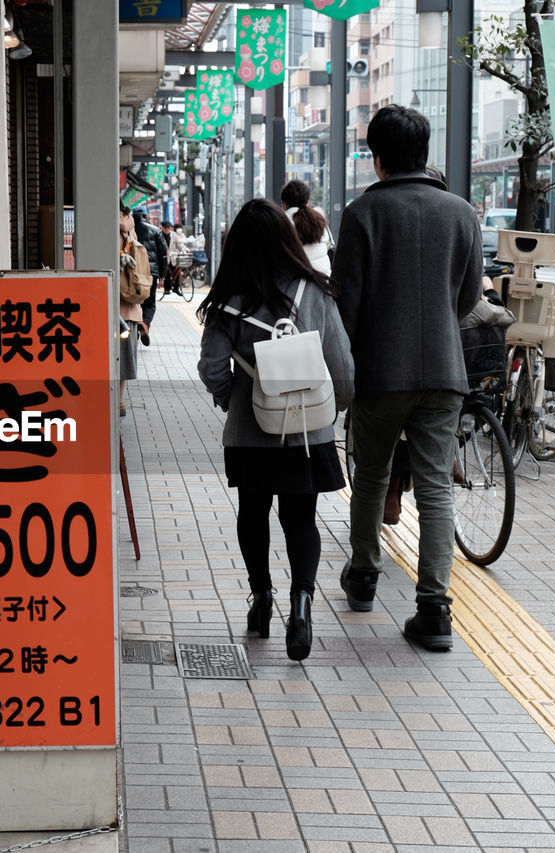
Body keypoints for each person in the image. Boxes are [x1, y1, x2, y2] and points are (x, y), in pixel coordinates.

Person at [332, 104, 482, 652]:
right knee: (436, 485)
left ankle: (365, 577)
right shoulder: (461, 213)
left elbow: (346, 303)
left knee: (371, 475)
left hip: (379, 370)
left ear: (378, 159)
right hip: (444, 369)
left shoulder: (362, 214)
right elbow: (468, 299)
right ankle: (434, 608)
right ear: (425, 153)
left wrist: (342, 369)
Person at [196, 198, 354, 661]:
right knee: (301, 518)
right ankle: (301, 604)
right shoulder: (316, 292)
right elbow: (341, 364)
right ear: (287, 242)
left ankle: (261, 598)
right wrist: (332, 408)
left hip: (250, 432)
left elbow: (210, 367)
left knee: (253, 511)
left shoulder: (229, 299)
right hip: (307, 431)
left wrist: (233, 399)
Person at [118, 207, 150, 416]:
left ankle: (108, 398)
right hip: (131, 303)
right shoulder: (130, 228)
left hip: (110, 300)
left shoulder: (103, 224)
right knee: (125, 356)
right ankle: (119, 401)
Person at [280, 179, 334, 275]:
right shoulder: (320, 221)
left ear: (284, 204)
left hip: (295, 286)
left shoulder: (280, 223)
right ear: (307, 202)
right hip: (324, 283)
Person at [132, 208, 169, 344]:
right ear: (146, 216)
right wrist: (162, 275)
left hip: (132, 273)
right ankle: (145, 325)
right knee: (149, 304)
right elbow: (163, 255)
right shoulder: (155, 231)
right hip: (150, 273)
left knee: (133, 302)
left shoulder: (129, 230)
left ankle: (133, 333)